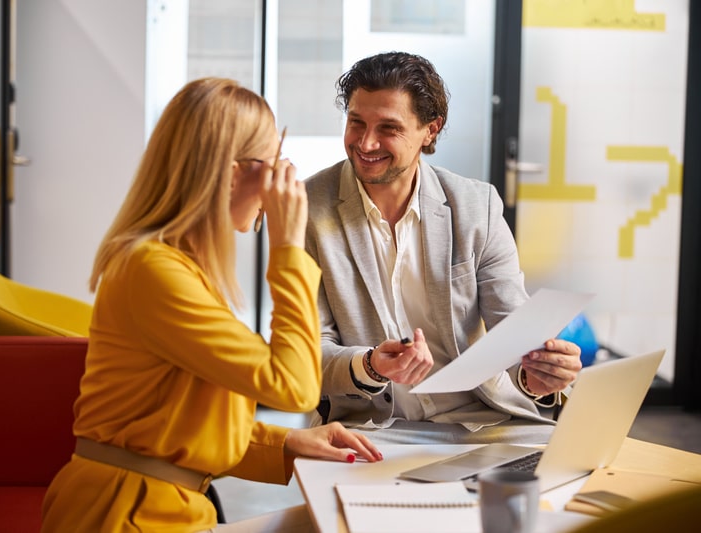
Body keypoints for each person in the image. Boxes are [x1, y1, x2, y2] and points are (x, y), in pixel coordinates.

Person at [41, 77, 382, 533]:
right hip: (126, 515)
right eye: (273, 164)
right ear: (229, 171)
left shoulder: (180, 267)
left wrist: (292, 442)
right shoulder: (152, 271)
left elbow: (185, 426)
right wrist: (288, 247)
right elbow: (296, 386)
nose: (283, 182)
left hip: (166, 506)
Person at [304, 51, 582, 443]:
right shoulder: (308, 207)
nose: (366, 143)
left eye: (389, 128)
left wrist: (538, 375)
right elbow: (306, 348)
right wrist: (369, 365)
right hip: (369, 426)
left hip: (480, 418)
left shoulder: (475, 206)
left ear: (430, 130)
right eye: (356, 122)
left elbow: (515, 333)